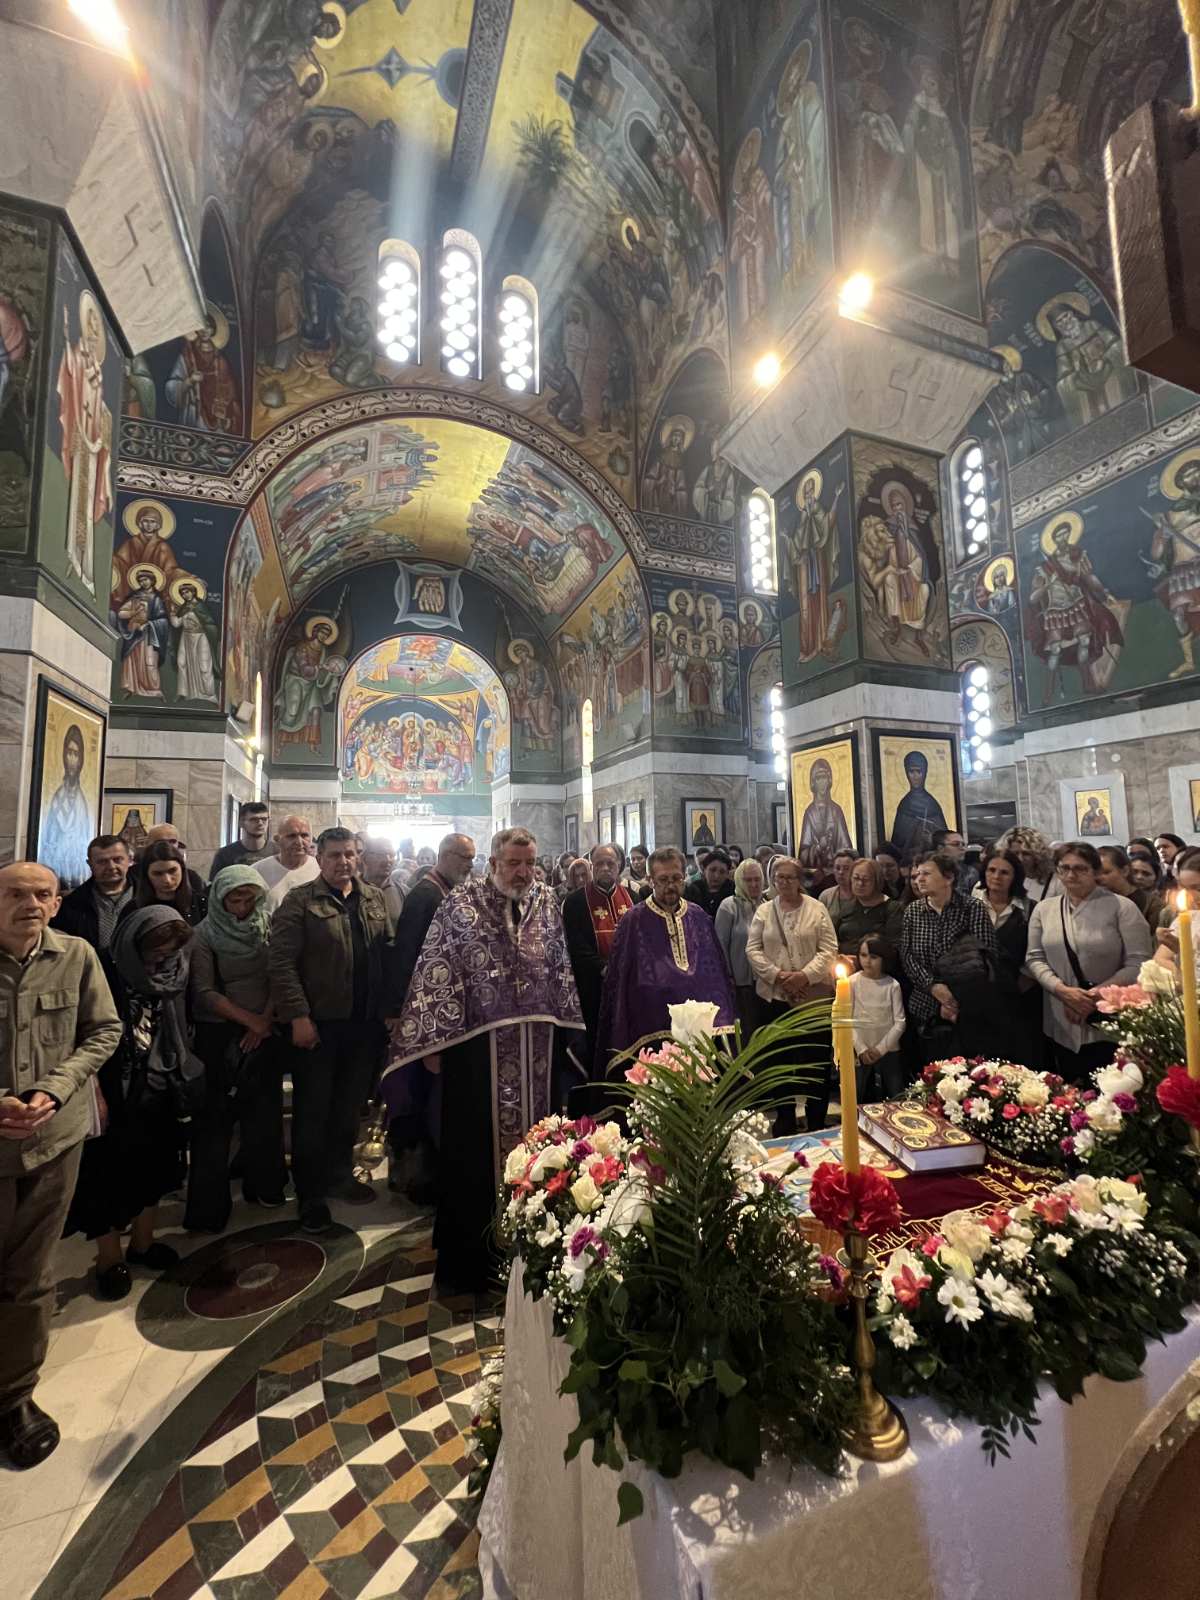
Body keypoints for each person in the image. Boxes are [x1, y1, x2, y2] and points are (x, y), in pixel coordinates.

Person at [383, 829, 583, 1292]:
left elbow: (559, 965)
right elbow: (436, 971)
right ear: (493, 862)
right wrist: (433, 1043)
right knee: (472, 1153)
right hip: (476, 1052)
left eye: (529, 863)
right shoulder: (460, 903)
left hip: (537, 1046)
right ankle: (473, 1262)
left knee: (539, 1146)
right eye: (513, 862)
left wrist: (565, 1027)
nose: (523, 872)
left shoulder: (547, 902)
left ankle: (537, 1250)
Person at [0, 863, 122, 1470]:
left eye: (42, 895)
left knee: (30, 1273)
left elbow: (103, 1030)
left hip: (53, 1139)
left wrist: (55, 1087)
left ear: (56, 903)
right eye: (15, 893)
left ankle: (13, 1397)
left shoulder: (76, 957)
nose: (30, 904)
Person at [67, 906, 201, 1301]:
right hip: (113, 1085)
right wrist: (93, 1087)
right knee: (106, 1176)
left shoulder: (174, 968)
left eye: (170, 949)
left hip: (161, 1082)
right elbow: (82, 1030)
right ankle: (109, 1261)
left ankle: (143, 1244)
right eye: (155, 949)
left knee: (156, 1167)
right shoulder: (104, 969)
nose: (161, 957)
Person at [269, 828, 394, 1232]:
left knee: (348, 1108)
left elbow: (385, 953)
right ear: (319, 858)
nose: (345, 861)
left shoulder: (372, 898)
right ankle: (310, 1194)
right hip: (319, 1024)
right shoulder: (301, 901)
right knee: (313, 1111)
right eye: (336, 855)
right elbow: (281, 962)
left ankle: (339, 1174)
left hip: (364, 1025)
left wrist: (389, 1010)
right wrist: (298, 1016)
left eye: (351, 854)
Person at [186, 867, 287, 1231]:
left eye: (249, 898)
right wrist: (250, 1022)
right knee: (215, 1122)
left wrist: (265, 1020)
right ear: (219, 899)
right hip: (220, 1033)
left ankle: (265, 1186)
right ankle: (209, 1208)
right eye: (235, 899)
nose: (243, 907)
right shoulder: (204, 934)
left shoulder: (267, 924)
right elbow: (204, 991)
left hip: (265, 1028)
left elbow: (281, 972)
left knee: (265, 1114)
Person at [383, 833, 476, 1202]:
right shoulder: (426, 894)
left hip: (439, 1009)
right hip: (422, 1012)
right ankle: (418, 1178)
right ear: (445, 855)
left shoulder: (445, 890)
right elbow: (407, 954)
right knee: (418, 1096)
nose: (469, 865)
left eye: (472, 858)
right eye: (464, 858)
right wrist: (398, 1010)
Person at [595, 846, 736, 1069]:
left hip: (699, 1024)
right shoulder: (633, 920)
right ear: (650, 880)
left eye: (677, 878)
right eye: (663, 880)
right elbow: (620, 981)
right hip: (651, 1018)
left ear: (685, 877)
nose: (671, 885)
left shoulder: (698, 916)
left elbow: (715, 972)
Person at [1026, 842, 1153, 1081]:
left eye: (1080, 868)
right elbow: (1034, 957)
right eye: (1065, 868)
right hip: (1060, 1015)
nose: (1071, 875)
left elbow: (1139, 961)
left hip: (1109, 1014)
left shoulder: (1122, 907)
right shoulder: (1044, 909)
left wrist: (1093, 996)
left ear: (1095, 871)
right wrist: (1062, 991)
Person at [746, 857, 837, 1131]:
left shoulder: (816, 909)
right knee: (780, 1062)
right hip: (775, 998)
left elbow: (828, 949)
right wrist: (778, 976)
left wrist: (803, 976)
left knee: (815, 1064)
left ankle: (816, 1121)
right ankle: (785, 1120)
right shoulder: (764, 911)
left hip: (813, 998)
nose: (784, 882)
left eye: (790, 877)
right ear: (773, 880)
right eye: (779, 877)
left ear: (800, 880)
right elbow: (753, 949)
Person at [901, 851, 998, 1064]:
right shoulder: (912, 912)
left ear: (949, 877)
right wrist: (934, 987)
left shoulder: (972, 908)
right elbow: (908, 957)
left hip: (966, 1005)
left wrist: (951, 999)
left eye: (926, 873)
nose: (919, 880)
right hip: (925, 1005)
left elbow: (985, 957)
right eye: (917, 875)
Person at [562, 845, 634, 1070]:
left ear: (619, 866)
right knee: (598, 1043)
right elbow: (576, 945)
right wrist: (604, 968)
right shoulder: (575, 901)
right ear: (592, 866)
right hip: (594, 987)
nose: (605, 868)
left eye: (610, 863)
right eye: (599, 863)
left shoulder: (633, 897)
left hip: (628, 984)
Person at [973, 846, 1040, 1066]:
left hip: (1020, 994)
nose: (996, 877)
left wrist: (1023, 981)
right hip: (979, 996)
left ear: (1015, 877)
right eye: (991, 870)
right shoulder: (970, 906)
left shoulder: (1030, 909)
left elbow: (1037, 949)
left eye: (1004, 872)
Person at [52, 834, 133, 951]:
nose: (111, 866)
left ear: (129, 860)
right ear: (90, 864)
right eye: (102, 862)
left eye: (117, 859)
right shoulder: (71, 904)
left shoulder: (146, 895)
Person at [849, 935, 906, 1102]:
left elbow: (900, 1022)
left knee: (896, 1093)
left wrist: (880, 1049)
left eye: (873, 957)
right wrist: (861, 1048)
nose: (867, 961)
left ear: (884, 958)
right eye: (863, 955)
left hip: (888, 1049)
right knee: (856, 1094)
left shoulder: (892, 985)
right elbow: (846, 1019)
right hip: (860, 1049)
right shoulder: (852, 982)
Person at [38, 724, 94, 892]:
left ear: (81, 759)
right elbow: (48, 838)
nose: (72, 760)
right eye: (69, 753)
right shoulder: (57, 796)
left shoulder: (83, 801)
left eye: (76, 754)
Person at [715, 858, 767, 1039]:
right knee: (747, 1032)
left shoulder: (768, 905)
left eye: (757, 879)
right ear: (739, 881)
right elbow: (720, 945)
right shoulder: (728, 906)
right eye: (748, 880)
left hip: (767, 981)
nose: (753, 884)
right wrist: (728, 978)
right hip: (740, 983)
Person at [831, 857, 904, 959]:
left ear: (876, 881)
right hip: (845, 963)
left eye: (866, 880)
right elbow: (833, 940)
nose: (860, 884)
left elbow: (894, 947)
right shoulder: (847, 907)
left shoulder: (892, 908)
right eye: (856, 878)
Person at [132, 824, 207, 919]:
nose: (167, 880)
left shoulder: (193, 880)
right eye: (160, 842)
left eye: (172, 841)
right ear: (148, 843)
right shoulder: (132, 875)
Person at [890, 751, 948, 864]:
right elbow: (897, 842)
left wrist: (930, 838)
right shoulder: (904, 805)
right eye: (911, 772)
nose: (915, 776)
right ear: (906, 773)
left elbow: (943, 838)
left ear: (925, 772)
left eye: (919, 771)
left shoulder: (932, 804)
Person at [258, 815, 320, 911]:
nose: (299, 842)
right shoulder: (258, 872)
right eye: (292, 836)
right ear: (277, 840)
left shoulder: (322, 869)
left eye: (304, 835)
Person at [1099, 845, 1165, 933]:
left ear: (1125, 871)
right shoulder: (1095, 901)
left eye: (1106, 872)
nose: (1099, 878)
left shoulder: (1152, 905)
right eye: (1095, 873)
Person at [209, 801, 276, 878]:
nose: (260, 823)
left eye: (264, 819)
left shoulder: (277, 852)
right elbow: (215, 883)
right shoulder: (225, 854)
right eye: (254, 819)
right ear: (241, 822)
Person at [998, 826, 1058, 902]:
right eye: (1015, 853)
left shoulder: (1056, 882)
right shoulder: (1001, 880)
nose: (1020, 859)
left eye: (1026, 853)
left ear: (1037, 855)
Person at [683, 846, 735, 917]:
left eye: (722, 872)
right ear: (704, 870)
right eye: (712, 870)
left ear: (727, 874)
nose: (716, 876)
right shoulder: (693, 889)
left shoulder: (733, 891)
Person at [360, 838, 404, 922]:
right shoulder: (351, 891)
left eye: (391, 855)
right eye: (381, 855)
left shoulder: (403, 892)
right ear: (365, 858)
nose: (388, 860)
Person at [932, 828, 978, 892]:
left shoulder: (970, 873)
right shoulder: (927, 870)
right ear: (940, 848)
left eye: (963, 845)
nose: (963, 848)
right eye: (956, 844)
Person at [818, 851, 857, 919]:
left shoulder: (863, 894)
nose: (841, 872)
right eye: (837, 868)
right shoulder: (825, 896)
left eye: (846, 868)